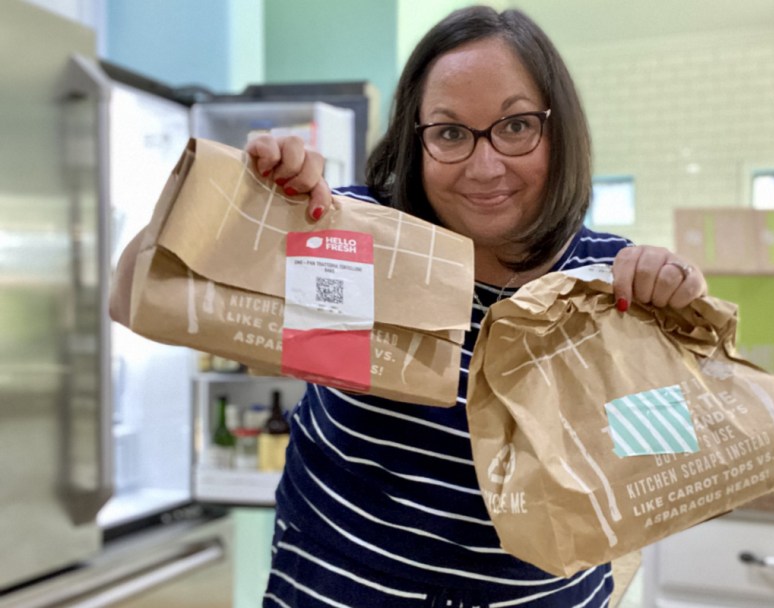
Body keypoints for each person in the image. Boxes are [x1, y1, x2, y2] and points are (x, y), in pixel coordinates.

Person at [113, 5, 707, 607]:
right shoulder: (353, 236)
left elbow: (654, 467)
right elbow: (131, 295)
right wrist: (233, 199)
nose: (485, 166)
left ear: (558, 130)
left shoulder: (604, 281)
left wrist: (672, 328)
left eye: (516, 126)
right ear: (414, 139)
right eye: (450, 133)